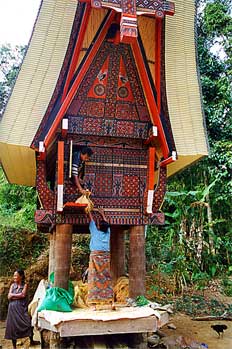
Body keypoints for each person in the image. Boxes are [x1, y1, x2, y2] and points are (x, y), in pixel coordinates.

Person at [87, 208, 114, 310]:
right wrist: (103, 214)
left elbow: (91, 219)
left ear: (98, 226)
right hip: (106, 257)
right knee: (106, 278)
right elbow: (106, 224)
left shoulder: (95, 232)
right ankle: (111, 302)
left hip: (95, 257)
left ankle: (93, 304)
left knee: (93, 279)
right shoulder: (108, 233)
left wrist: (89, 210)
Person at [5, 269, 37, 349]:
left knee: (28, 323)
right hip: (12, 309)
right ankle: (14, 346)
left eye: (16, 275)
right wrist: (16, 295)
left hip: (22, 308)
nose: (14, 277)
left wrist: (13, 295)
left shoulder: (25, 285)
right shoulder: (12, 285)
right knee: (13, 327)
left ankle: (31, 340)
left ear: (21, 276)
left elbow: (23, 295)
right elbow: (9, 297)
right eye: (14, 275)